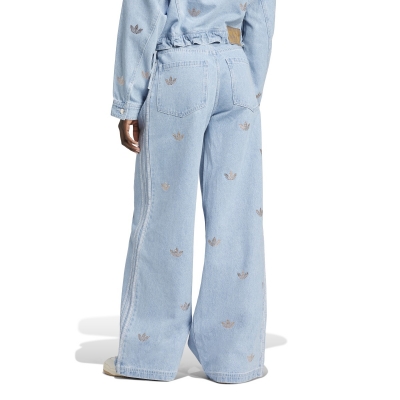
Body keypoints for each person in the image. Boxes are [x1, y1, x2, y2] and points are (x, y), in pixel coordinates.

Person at [103, 0, 276, 384]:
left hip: (180, 72)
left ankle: (150, 355)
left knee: (164, 216)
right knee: (238, 221)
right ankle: (235, 358)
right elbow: (262, 17)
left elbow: (143, 14)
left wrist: (128, 101)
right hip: (236, 69)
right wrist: (249, 85)